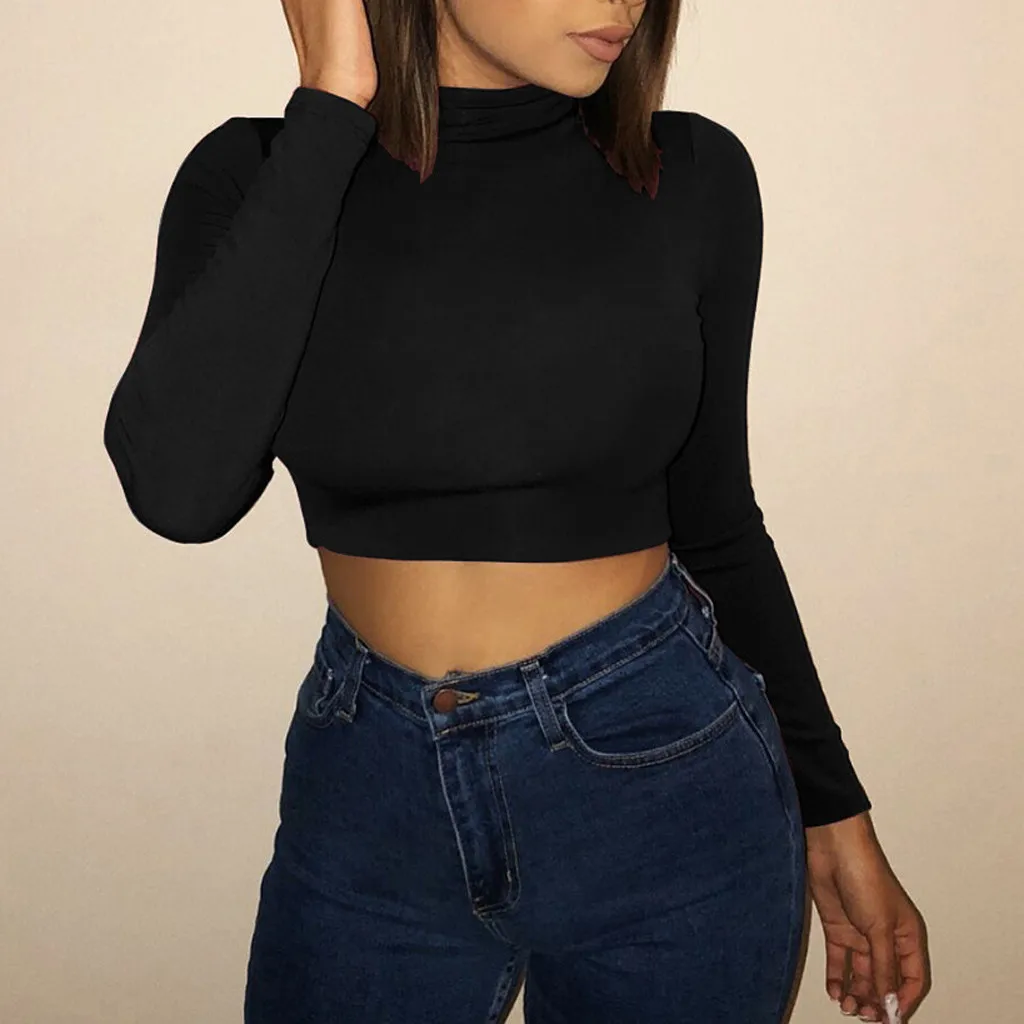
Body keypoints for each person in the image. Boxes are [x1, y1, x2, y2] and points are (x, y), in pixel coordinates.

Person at [102, 0, 930, 1021]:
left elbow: (716, 516)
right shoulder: (258, 174)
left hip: (667, 776)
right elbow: (181, 494)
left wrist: (833, 812)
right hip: (368, 793)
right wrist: (330, 106)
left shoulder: (689, 175)